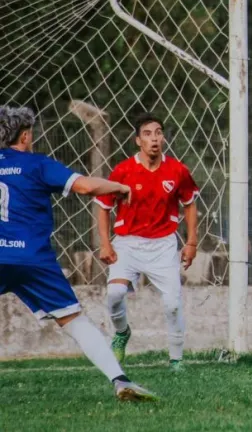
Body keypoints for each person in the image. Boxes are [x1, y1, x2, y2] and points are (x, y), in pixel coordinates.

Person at [0, 105, 157, 401]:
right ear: (25, 135)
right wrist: (120, 187)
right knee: (74, 321)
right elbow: (85, 187)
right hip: (34, 259)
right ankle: (120, 380)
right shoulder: (37, 165)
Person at [95, 113, 200, 371]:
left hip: (163, 245)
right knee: (115, 294)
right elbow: (103, 207)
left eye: (158, 133)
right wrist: (106, 243)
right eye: (148, 134)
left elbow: (189, 205)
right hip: (127, 244)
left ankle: (176, 360)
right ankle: (121, 333)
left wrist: (191, 243)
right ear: (137, 141)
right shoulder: (123, 171)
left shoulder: (177, 171)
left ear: (163, 138)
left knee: (173, 304)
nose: (154, 138)